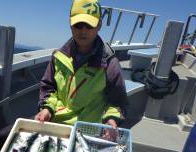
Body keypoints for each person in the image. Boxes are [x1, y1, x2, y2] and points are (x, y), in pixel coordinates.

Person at [35, 0, 128, 129]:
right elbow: (49, 87)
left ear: (99, 26)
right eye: (78, 25)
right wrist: (47, 109)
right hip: (54, 122)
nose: (83, 31)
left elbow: (118, 102)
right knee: (4, 136)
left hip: (87, 129)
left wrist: (111, 119)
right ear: (70, 24)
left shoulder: (109, 64)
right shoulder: (58, 57)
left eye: (89, 25)